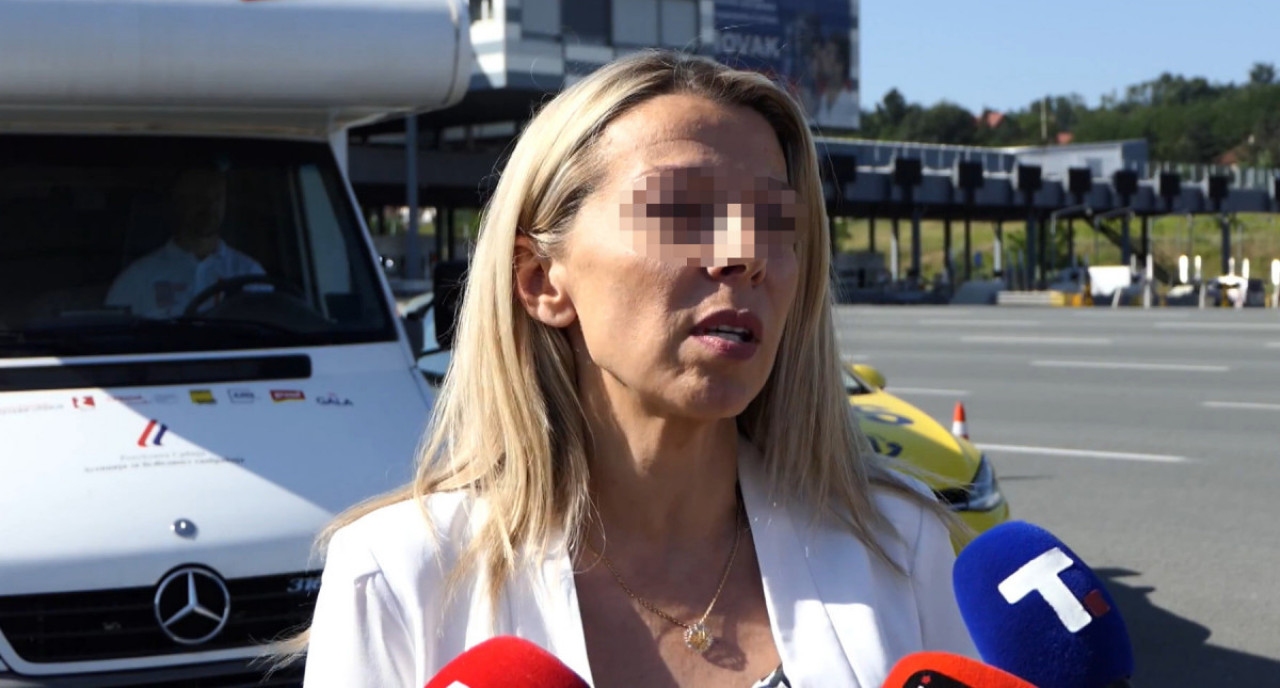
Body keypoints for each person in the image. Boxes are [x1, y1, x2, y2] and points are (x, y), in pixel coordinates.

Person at [292, 51, 977, 687]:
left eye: (776, 221)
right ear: (540, 281)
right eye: (681, 209)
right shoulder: (397, 578)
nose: (746, 254)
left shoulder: (897, 545)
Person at [106, 168, 264, 318]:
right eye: (198, 197)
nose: (209, 206)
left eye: (217, 197)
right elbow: (114, 331)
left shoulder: (250, 273)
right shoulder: (138, 277)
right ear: (178, 202)